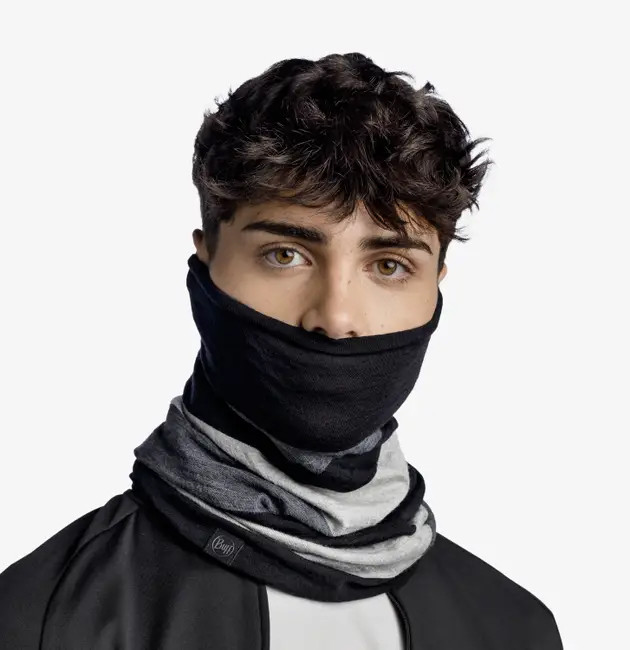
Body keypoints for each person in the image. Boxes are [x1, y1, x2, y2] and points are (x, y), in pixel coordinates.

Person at [0, 52, 563, 649]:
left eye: (389, 265)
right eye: (285, 255)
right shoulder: (41, 620)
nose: (336, 317)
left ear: (437, 283)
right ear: (206, 259)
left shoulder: (511, 629)